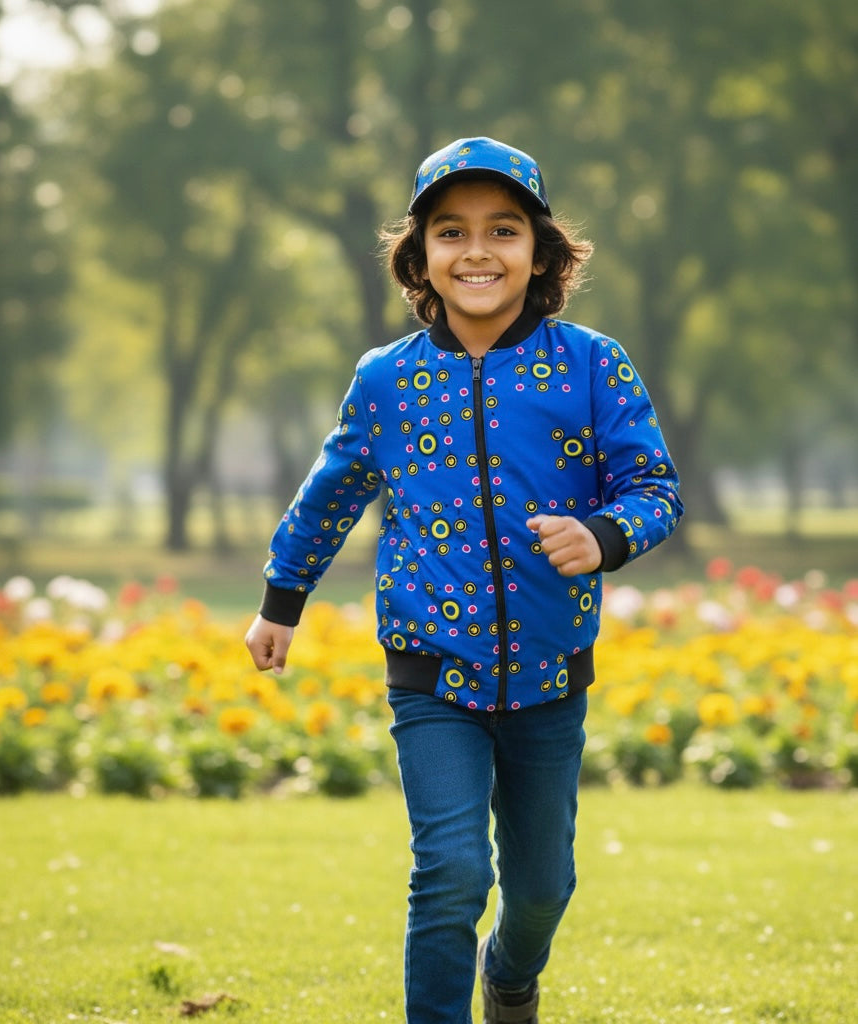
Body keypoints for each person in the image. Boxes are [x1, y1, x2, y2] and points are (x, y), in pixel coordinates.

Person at [245, 136, 683, 1024]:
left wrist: (603, 536)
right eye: (451, 231)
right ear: (420, 257)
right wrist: (281, 603)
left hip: (550, 675)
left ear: (542, 251)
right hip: (431, 671)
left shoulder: (594, 365)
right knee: (448, 871)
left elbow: (656, 487)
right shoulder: (386, 381)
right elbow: (328, 495)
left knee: (540, 888)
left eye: (504, 230)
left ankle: (511, 977)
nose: (477, 250)